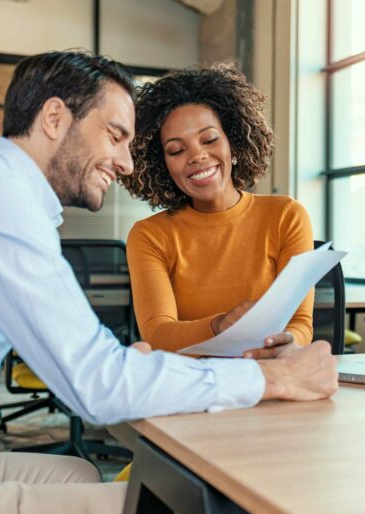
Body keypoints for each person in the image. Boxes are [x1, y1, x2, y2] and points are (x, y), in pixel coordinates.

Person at [0, 51, 338, 514]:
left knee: (79, 471)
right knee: (170, 506)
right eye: (116, 136)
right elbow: (96, 385)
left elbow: (91, 368)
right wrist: (274, 380)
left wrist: (126, 368)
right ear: (55, 119)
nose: (126, 163)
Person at [120, 64, 315, 356]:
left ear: (233, 144)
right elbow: (158, 334)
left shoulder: (286, 215)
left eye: (209, 139)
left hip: (268, 374)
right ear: (163, 165)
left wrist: (286, 342)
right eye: (176, 150)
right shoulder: (149, 235)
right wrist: (220, 325)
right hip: (191, 384)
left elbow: (301, 324)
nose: (197, 156)